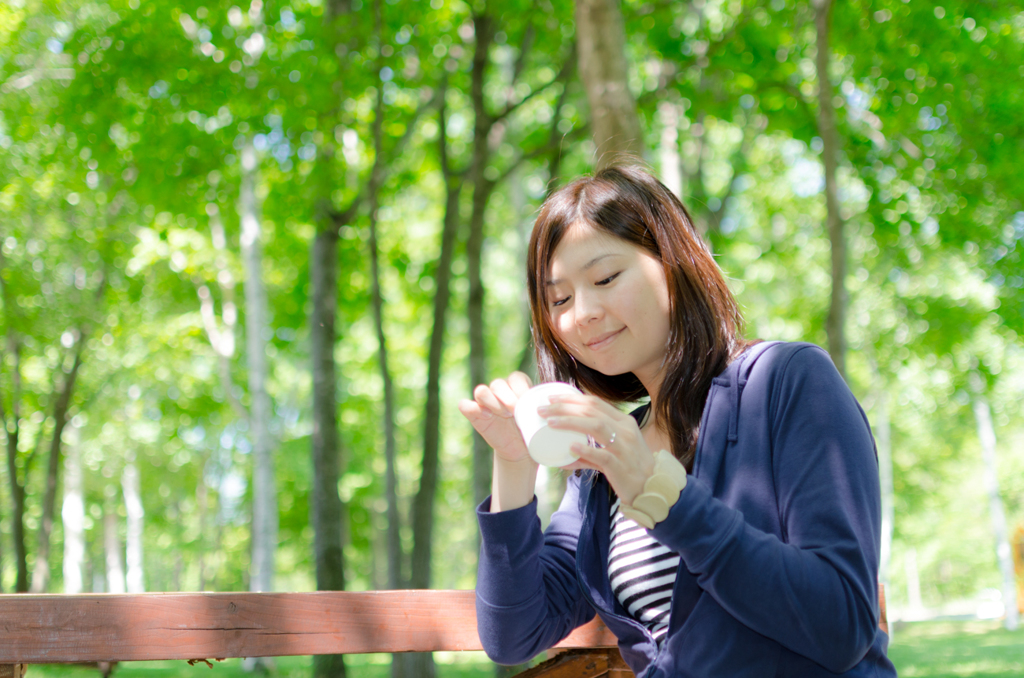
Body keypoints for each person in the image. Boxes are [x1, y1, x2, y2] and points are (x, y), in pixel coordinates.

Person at [458, 165, 897, 677]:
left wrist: (665, 496)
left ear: (673, 263)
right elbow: (514, 633)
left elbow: (840, 625)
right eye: (560, 299)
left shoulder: (786, 381)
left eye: (604, 278)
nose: (582, 313)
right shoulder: (602, 466)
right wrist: (514, 464)